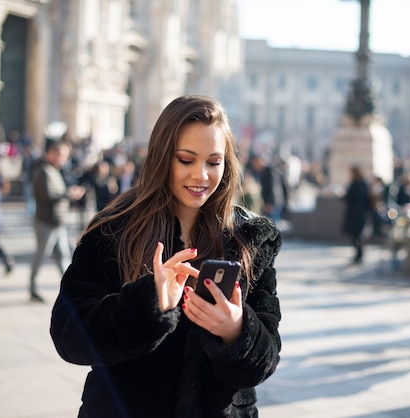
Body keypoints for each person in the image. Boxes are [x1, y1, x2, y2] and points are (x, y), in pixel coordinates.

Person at [50, 95, 282, 417]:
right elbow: (69, 334)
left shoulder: (251, 238)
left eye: (214, 162)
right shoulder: (114, 230)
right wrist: (147, 305)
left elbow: (266, 358)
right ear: (163, 157)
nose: (201, 176)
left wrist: (237, 329)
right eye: (186, 160)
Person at [29, 140, 85, 302]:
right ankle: (33, 288)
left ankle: (71, 287)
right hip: (46, 222)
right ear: (51, 154)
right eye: (62, 155)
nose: (64, 159)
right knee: (42, 255)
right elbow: (46, 196)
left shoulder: (55, 171)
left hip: (58, 222)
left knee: (64, 256)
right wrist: (68, 194)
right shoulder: (44, 172)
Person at [342, 165, 371, 264]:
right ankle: (360, 254)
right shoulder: (364, 183)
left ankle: (359, 254)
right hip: (362, 212)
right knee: (359, 235)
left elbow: (348, 198)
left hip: (354, 213)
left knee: (355, 235)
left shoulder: (355, 184)